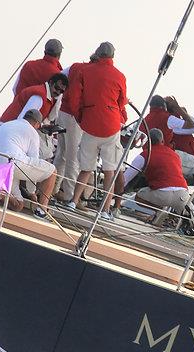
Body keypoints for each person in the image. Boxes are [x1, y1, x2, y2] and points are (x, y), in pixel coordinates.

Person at [68, 42, 127, 220]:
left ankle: (73, 201)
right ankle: (105, 211)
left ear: (97, 54)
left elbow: (75, 97)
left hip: (90, 124)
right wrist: (120, 117)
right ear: (112, 57)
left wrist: (81, 117)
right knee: (109, 170)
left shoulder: (86, 71)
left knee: (85, 168)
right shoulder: (119, 76)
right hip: (111, 126)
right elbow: (121, 101)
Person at [0, 109, 57, 218]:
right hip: (14, 164)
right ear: (37, 124)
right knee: (52, 171)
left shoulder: (6, 125)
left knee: (18, 205)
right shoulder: (33, 132)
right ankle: (41, 210)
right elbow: (34, 161)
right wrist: (31, 192)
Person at [53, 54, 96, 202]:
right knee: (73, 158)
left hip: (62, 113)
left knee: (61, 154)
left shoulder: (74, 67)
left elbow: (58, 77)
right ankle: (69, 195)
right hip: (75, 118)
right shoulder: (92, 73)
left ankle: (53, 188)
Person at [122, 128, 189, 217]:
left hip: (162, 195)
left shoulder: (145, 155)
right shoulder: (175, 155)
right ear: (162, 141)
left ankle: (161, 211)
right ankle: (172, 216)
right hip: (182, 194)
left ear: (147, 142)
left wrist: (111, 194)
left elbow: (125, 179)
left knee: (139, 196)